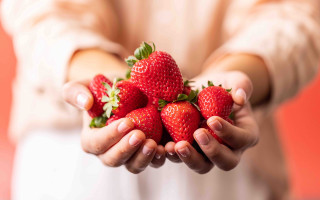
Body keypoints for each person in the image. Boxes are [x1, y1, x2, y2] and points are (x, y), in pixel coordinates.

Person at [1, 0, 320, 200]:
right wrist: (99, 79)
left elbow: (294, 14)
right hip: (69, 160)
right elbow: (38, 9)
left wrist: (235, 79)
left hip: (229, 155)